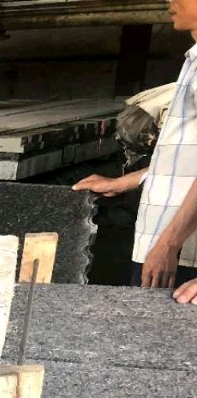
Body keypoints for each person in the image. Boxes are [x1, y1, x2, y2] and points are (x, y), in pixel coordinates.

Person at [73, 0, 197, 302]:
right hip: (169, 246)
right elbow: (185, 158)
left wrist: (169, 244)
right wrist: (123, 182)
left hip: (181, 254)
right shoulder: (193, 61)